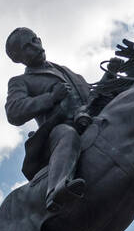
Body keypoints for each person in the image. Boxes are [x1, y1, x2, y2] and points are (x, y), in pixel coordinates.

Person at [5, 27, 92, 218]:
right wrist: (51, 97)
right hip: (56, 133)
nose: (35, 46)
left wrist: (110, 75)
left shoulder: (67, 71)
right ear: (18, 58)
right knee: (67, 134)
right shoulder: (20, 81)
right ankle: (56, 190)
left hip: (89, 122)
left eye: (35, 40)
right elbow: (14, 111)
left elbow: (91, 97)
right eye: (27, 46)